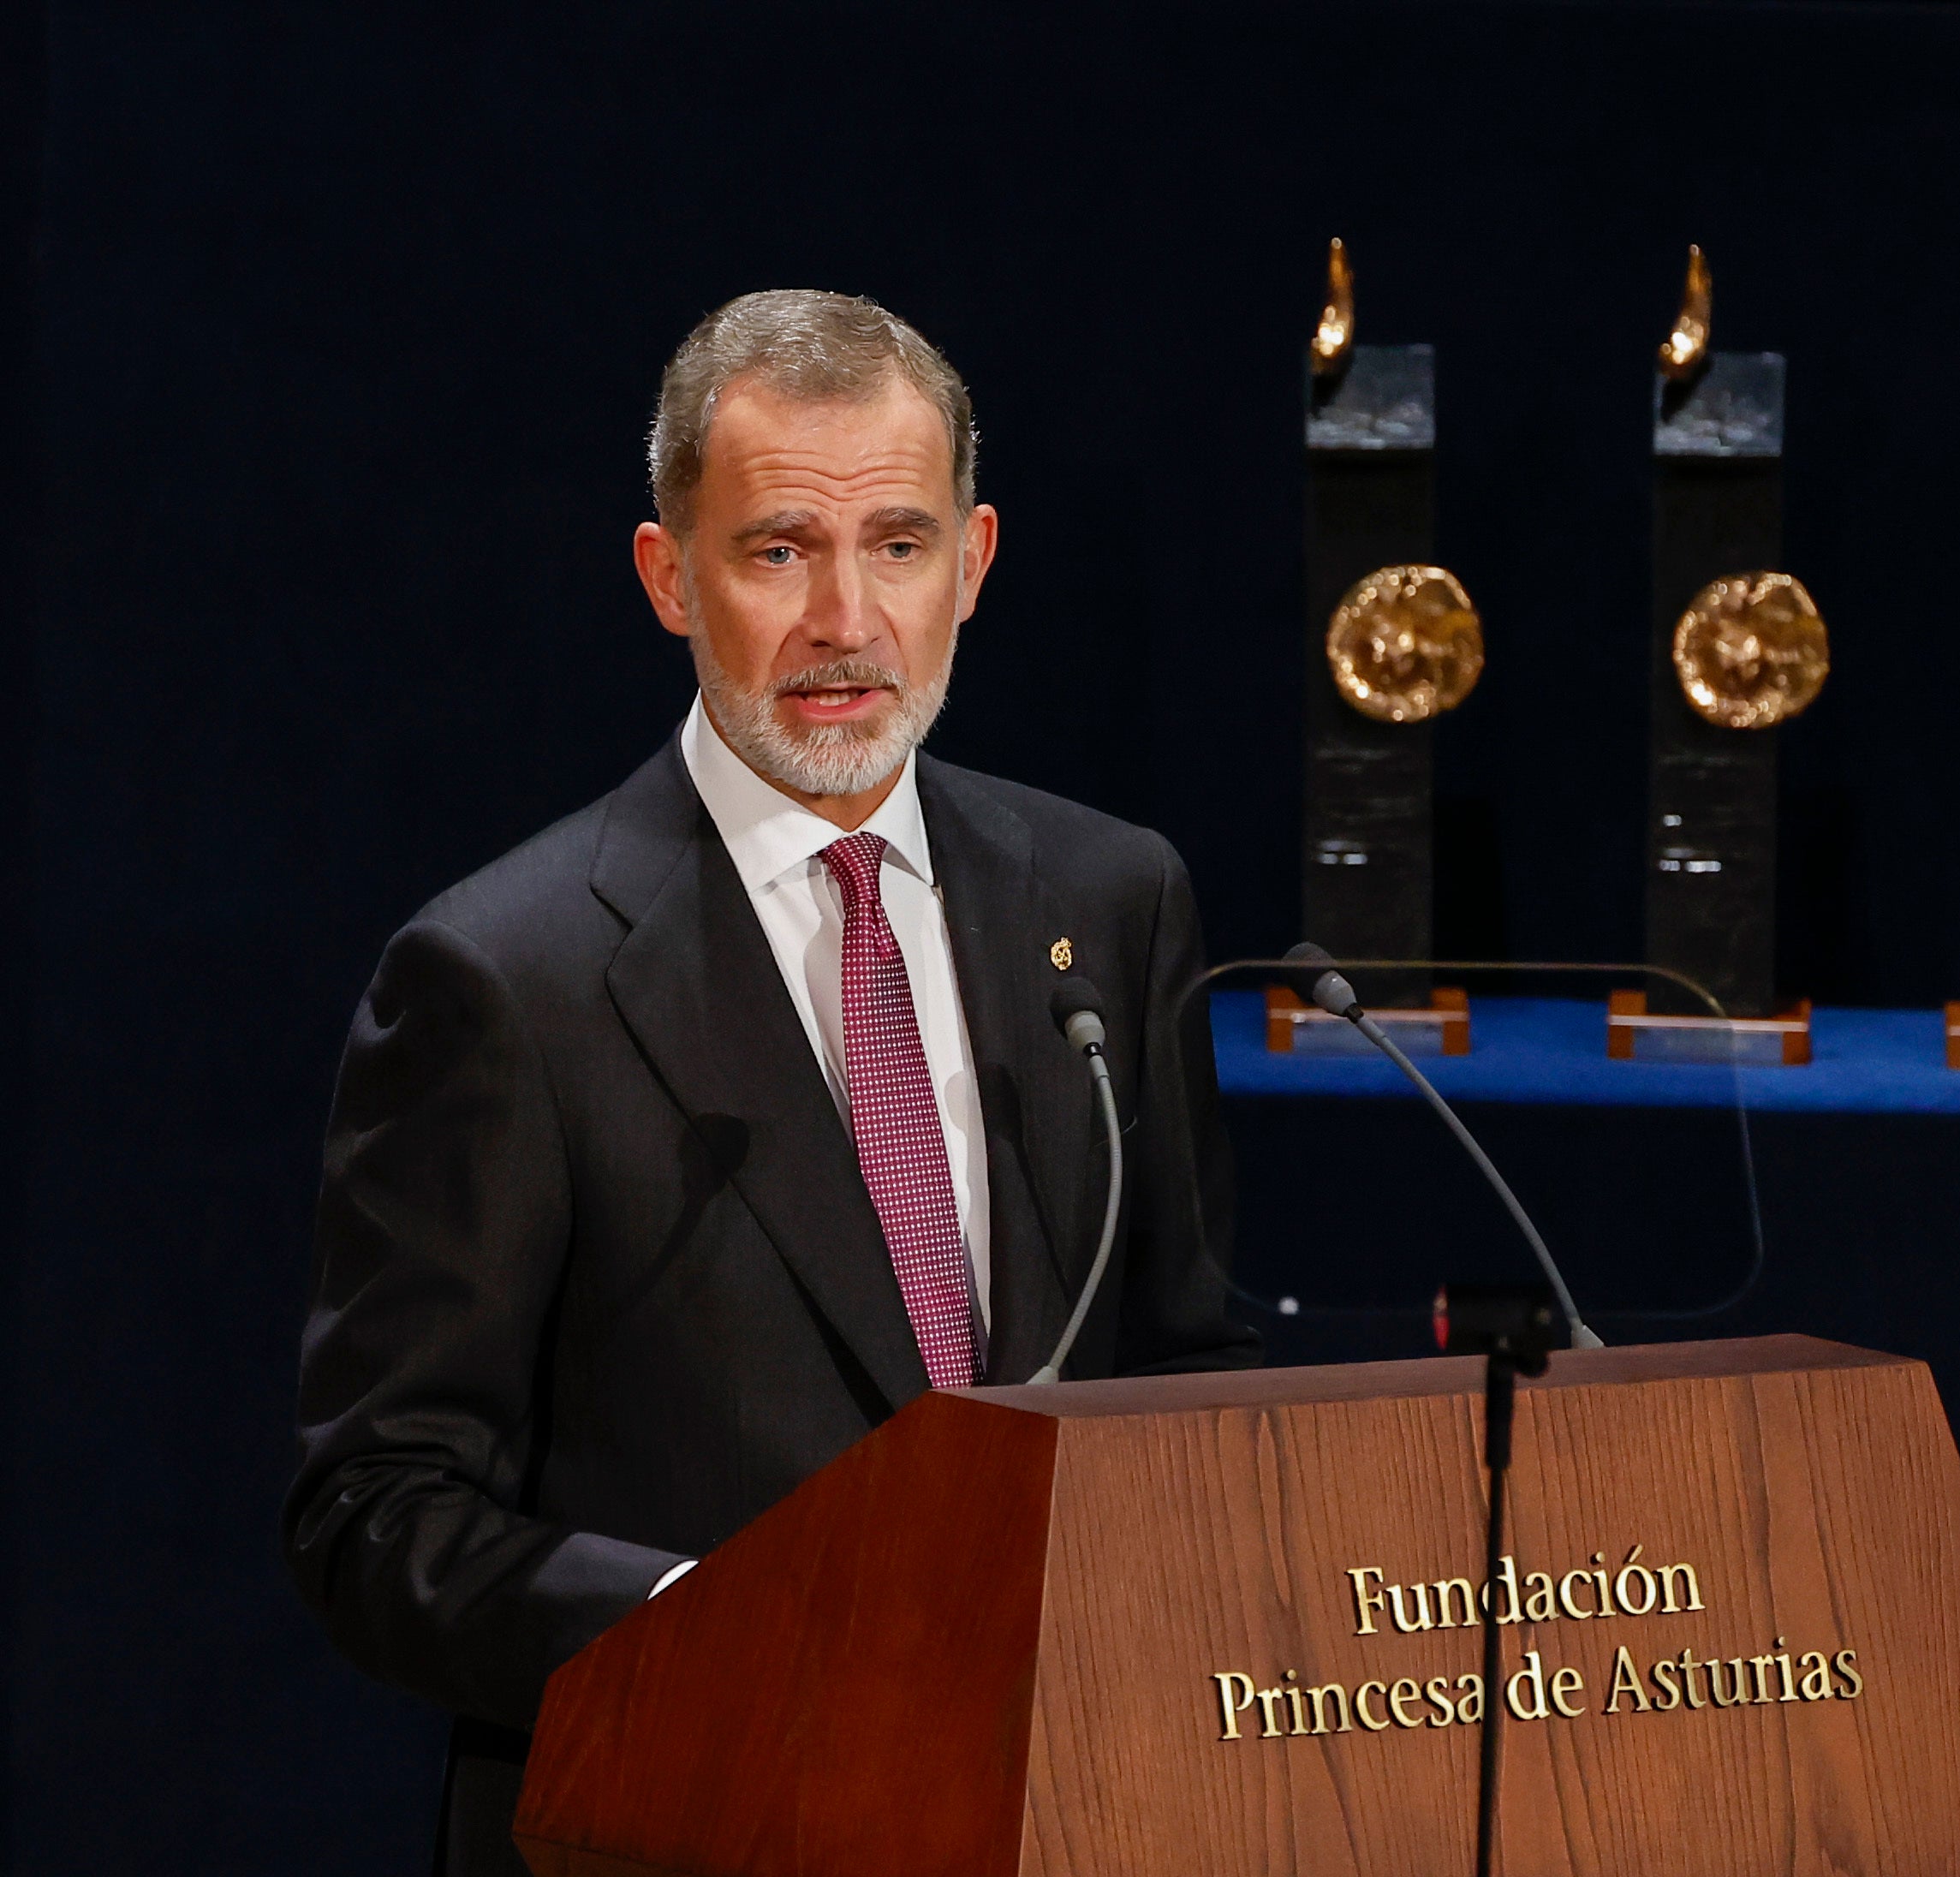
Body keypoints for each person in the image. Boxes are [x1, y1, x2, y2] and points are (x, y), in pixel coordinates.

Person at [283, 289, 1257, 1874]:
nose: (846, 621)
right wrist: (706, 1626)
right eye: (778, 549)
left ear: (976, 562)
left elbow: (1184, 1369)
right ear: (671, 578)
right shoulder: (504, 981)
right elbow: (374, 1516)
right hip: (683, 1819)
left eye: (897, 544)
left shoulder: (1111, 898)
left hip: (1058, 1817)